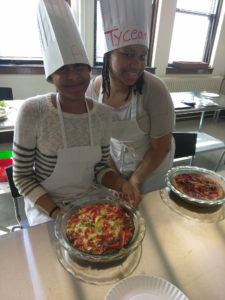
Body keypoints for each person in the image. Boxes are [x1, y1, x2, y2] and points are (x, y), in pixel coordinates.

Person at [12, 0, 140, 227]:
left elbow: (101, 168)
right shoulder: (33, 112)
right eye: (63, 70)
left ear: (89, 70)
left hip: (91, 200)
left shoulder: (101, 114)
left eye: (80, 66)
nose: (74, 77)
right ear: (51, 76)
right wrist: (57, 213)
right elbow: (22, 176)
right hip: (47, 207)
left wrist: (122, 184)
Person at [86, 0, 175, 195]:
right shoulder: (92, 92)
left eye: (142, 56)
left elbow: (161, 147)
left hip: (153, 169)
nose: (136, 64)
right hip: (116, 164)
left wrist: (135, 180)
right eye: (127, 54)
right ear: (109, 55)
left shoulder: (155, 90)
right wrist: (117, 180)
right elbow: (100, 144)